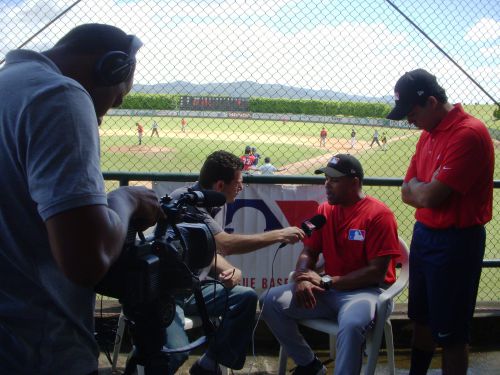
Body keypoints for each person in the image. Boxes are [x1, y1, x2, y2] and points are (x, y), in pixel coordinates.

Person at [0, 24, 163, 375]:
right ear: (110, 67)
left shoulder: (9, 85)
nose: (106, 114)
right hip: (38, 350)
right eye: (117, 97)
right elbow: (87, 260)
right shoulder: (59, 95)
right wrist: (124, 199)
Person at [387, 69, 494, 375]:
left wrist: (423, 190)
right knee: (421, 320)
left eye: (411, 112)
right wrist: (423, 189)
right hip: (426, 236)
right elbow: (407, 190)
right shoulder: (428, 135)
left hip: (456, 243)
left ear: (431, 102)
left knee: (452, 334)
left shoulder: (469, 133)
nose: (409, 120)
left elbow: (430, 196)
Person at [165, 150, 306, 375]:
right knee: (175, 351)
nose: (240, 188)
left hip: (194, 288)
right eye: (238, 183)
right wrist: (279, 235)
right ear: (220, 185)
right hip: (167, 294)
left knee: (245, 298)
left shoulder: (213, 200)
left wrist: (227, 267)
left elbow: (204, 249)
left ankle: (208, 365)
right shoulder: (188, 202)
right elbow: (225, 244)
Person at [260, 154, 400, 375]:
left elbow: (377, 272)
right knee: (269, 300)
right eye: (326, 178)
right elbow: (310, 250)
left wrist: (326, 282)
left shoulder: (379, 215)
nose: (326, 185)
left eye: (334, 180)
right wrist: (302, 276)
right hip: (328, 290)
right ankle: (309, 365)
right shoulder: (325, 210)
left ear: (354, 183)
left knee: (352, 325)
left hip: (366, 293)